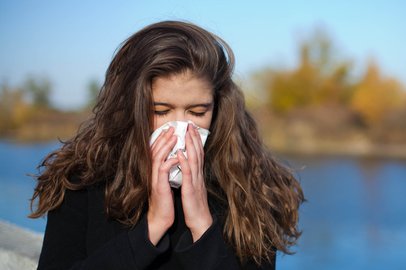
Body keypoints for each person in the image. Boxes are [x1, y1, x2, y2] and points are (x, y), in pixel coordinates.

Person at [29, 20, 304, 270]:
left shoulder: (250, 187)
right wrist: (151, 228)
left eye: (197, 112)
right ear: (131, 107)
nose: (180, 130)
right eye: (161, 111)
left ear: (218, 108)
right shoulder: (84, 178)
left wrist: (202, 226)